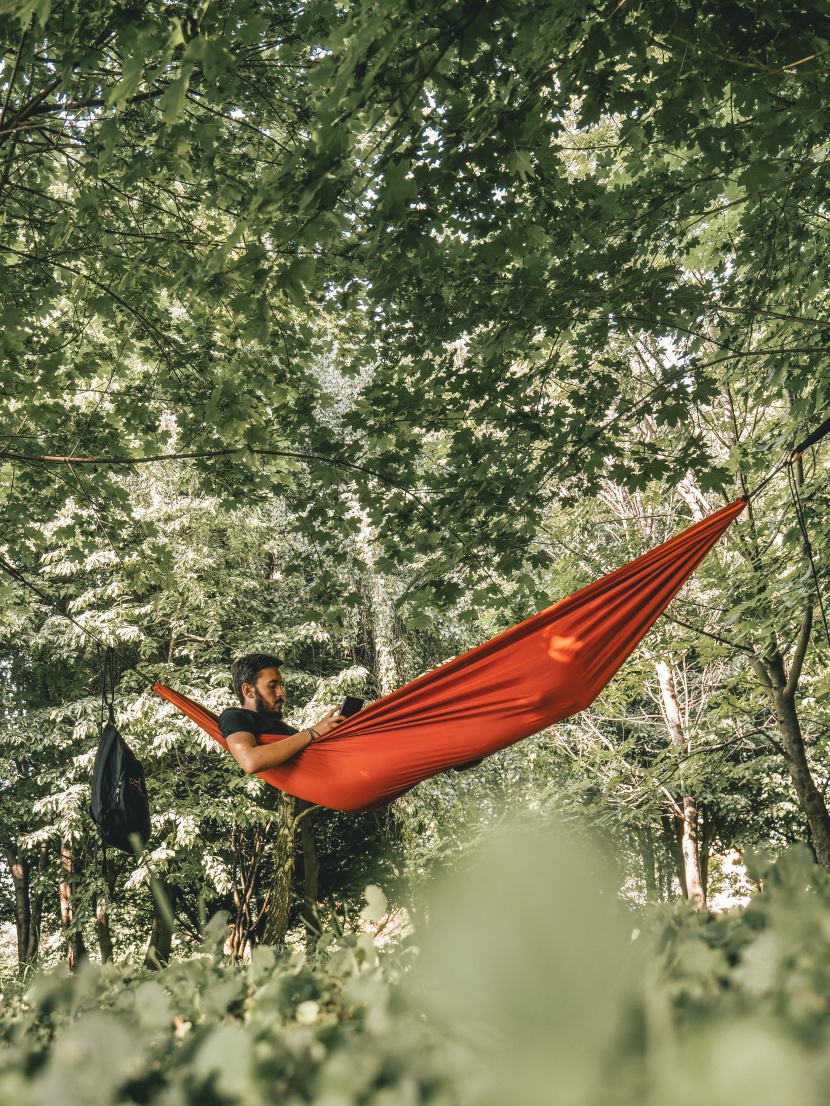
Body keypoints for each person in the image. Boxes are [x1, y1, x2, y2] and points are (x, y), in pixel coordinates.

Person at [218, 653, 343, 774]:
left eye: (280, 685)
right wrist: (312, 732)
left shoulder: (282, 730)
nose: (281, 693)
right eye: (272, 686)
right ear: (248, 690)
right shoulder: (234, 716)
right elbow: (250, 761)